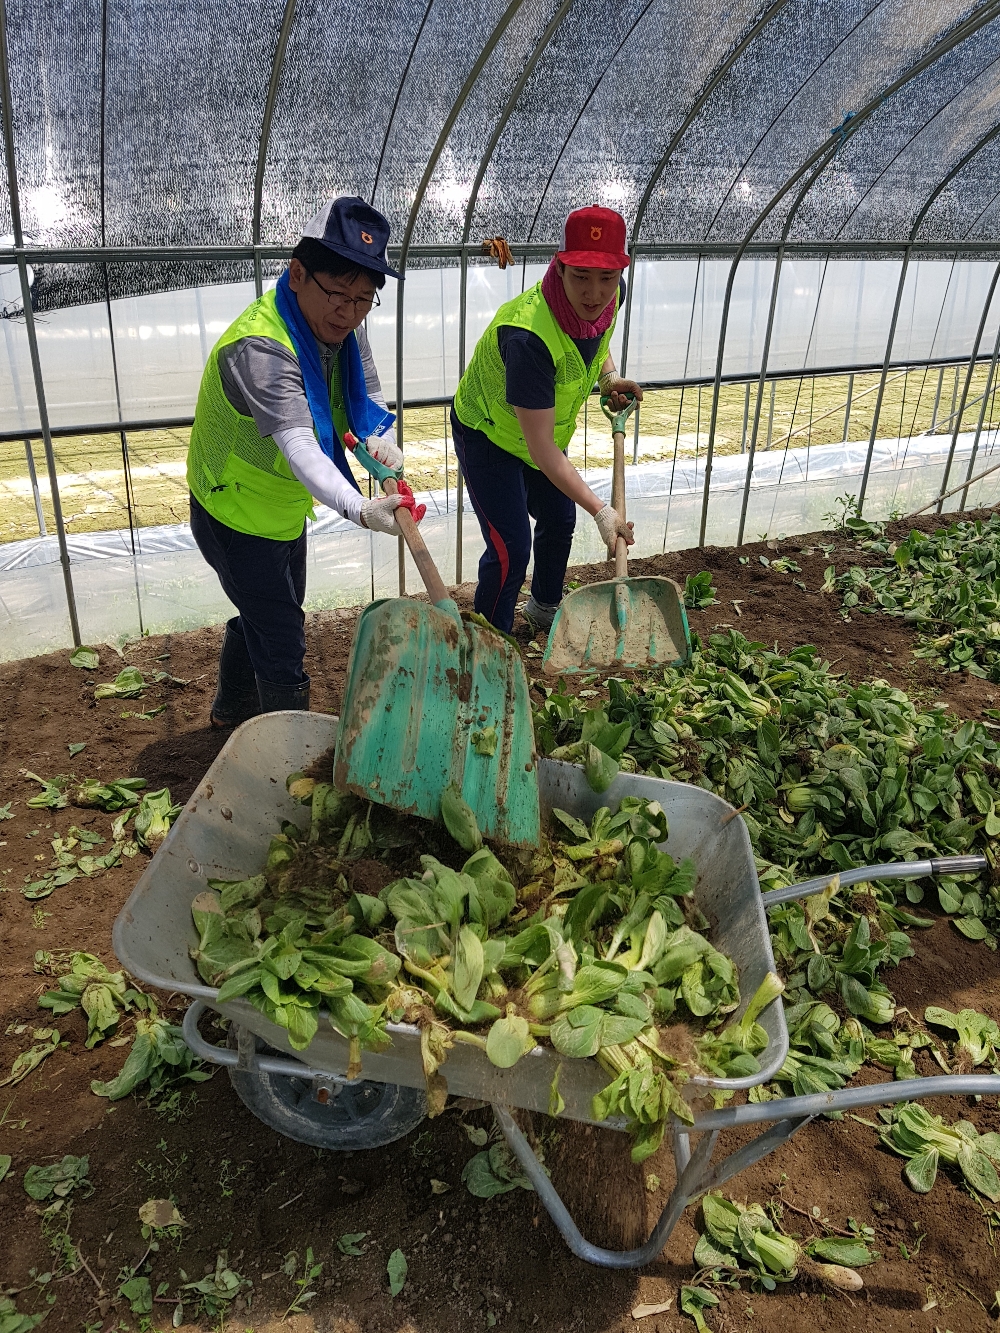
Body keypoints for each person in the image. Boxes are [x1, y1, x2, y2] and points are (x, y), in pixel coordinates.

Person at [186, 196, 424, 727]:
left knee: (272, 609)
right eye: (338, 293)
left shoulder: (344, 330)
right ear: (297, 274)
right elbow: (299, 448)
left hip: (282, 509)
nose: (350, 311)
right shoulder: (261, 347)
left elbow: (362, 410)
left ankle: (231, 712)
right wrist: (361, 510)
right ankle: (287, 760)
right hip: (231, 511)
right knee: (283, 636)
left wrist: (378, 447)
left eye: (365, 299)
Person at [451, 205, 643, 635]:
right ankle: (488, 641)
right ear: (559, 268)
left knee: (559, 519)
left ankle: (542, 609)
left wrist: (609, 377)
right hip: (489, 433)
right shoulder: (529, 338)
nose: (594, 293)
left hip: (541, 435)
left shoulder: (613, 295)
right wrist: (602, 510)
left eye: (606, 278)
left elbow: (599, 333)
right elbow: (541, 449)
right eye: (580, 277)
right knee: (510, 549)